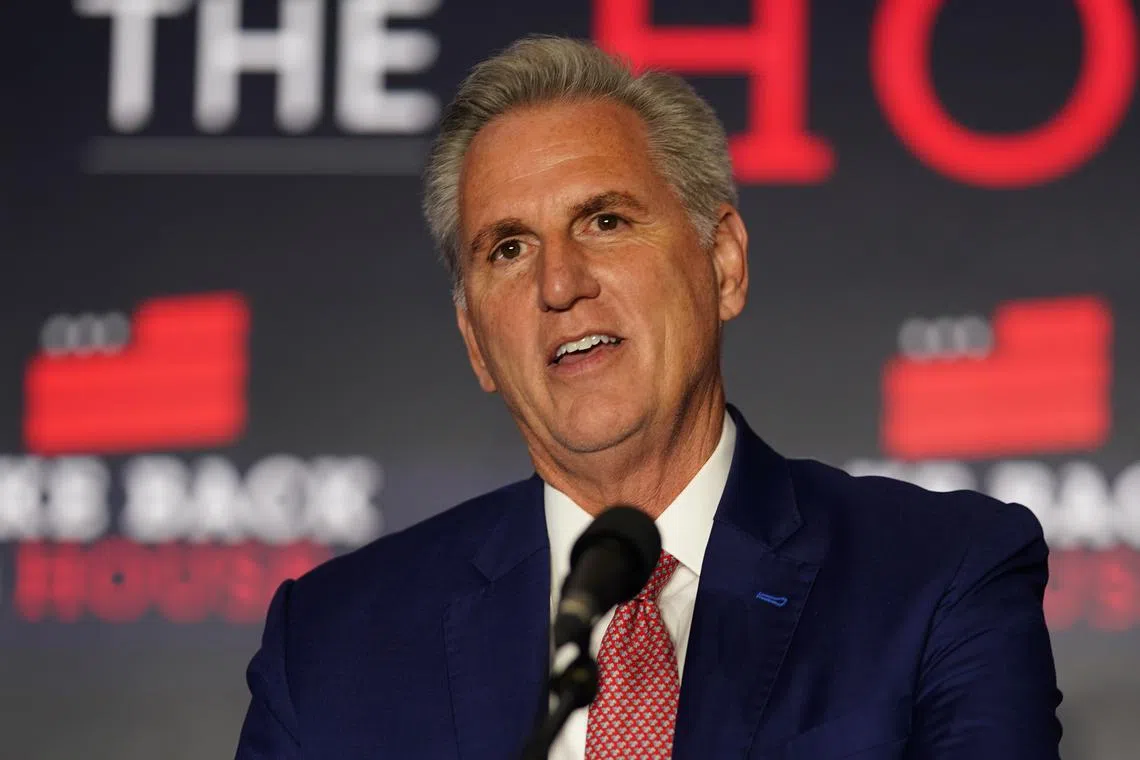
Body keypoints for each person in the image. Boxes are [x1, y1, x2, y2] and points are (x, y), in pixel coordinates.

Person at [234, 36, 1062, 760]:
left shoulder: (936, 578)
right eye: (510, 248)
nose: (559, 284)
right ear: (474, 342)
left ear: (724, 264)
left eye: (605, 222)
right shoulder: (333, 645)